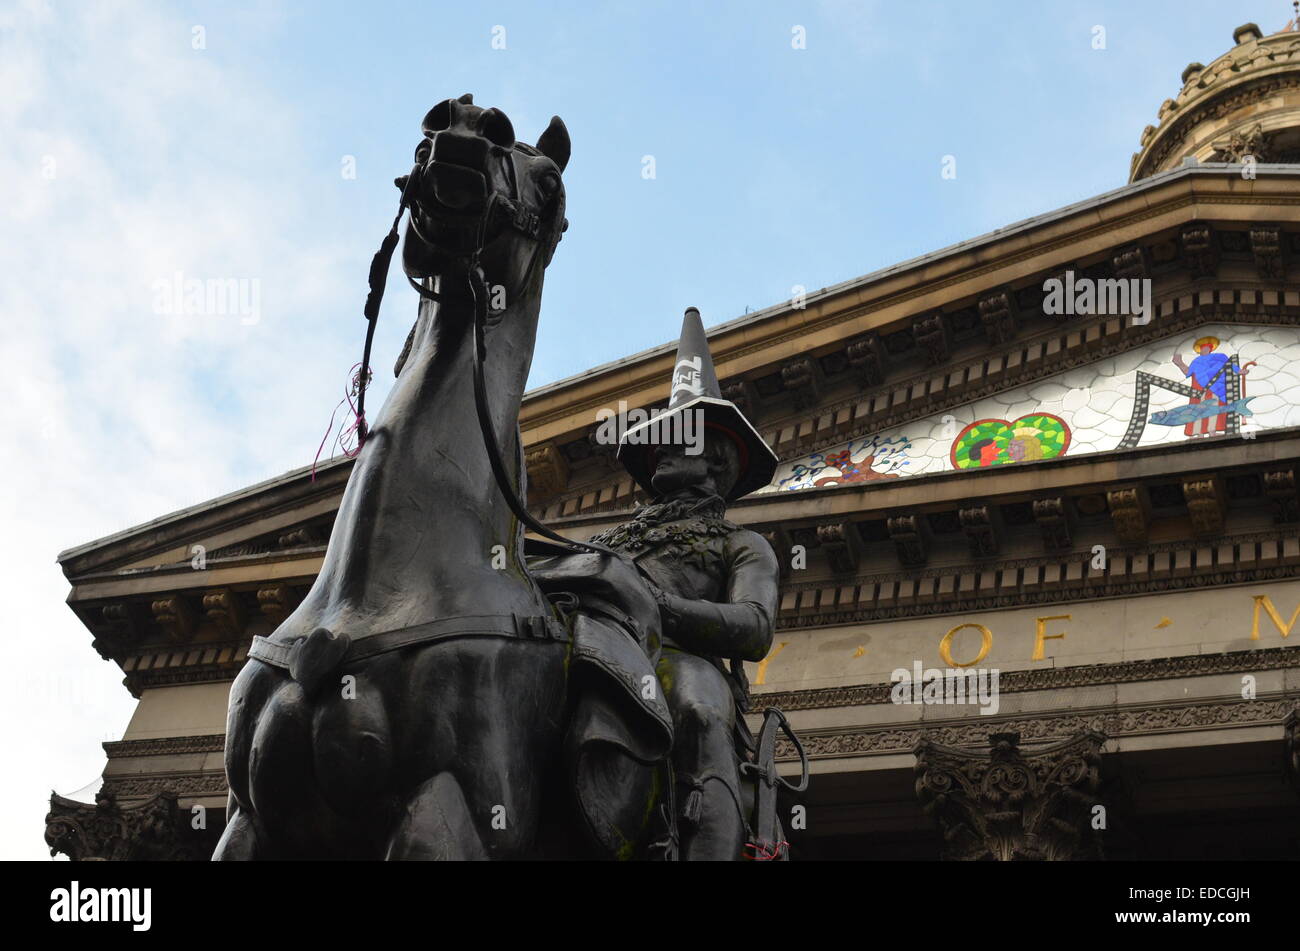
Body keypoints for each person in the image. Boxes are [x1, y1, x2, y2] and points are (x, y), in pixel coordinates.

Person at [591, 306, 780, 860]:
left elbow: (754, 627)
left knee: (698, 710)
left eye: (681, 440)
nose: (663, 450)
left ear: (716, 462)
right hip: (597, 650)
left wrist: (661, 607)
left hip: (675, 659)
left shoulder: (741, 545)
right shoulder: (610, 540)